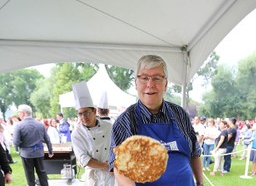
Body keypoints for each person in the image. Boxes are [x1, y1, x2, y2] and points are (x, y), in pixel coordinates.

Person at [109, 55, 203, 186]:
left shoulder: (179, 113)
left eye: (156, 78)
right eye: (144, 78)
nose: (150, 84)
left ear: (165, 84)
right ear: (136, 83)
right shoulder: (126, 121)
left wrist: (200, 182)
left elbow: (194, 151)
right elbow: (119, 166)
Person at [71, 81, 115, 186]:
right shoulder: (77, 134)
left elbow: (117, 146)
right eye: (80, 114)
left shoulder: (108, 126)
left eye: (86, 112)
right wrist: (106, 166)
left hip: (111, 176)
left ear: (94, 111)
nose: (83, 117)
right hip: (94, 176)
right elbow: (83, 159)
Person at [13, 104, 53, 186]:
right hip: (39, 152)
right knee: (42, 173)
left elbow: (15, 142)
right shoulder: (40, 124)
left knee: (30, 176)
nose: (18, 115)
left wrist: (22, 144)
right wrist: (50, 150)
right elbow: (47, 139)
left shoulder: (19, 125)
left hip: (26, 154)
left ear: (22, 113)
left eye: (19, 113)